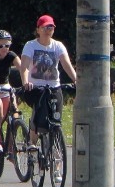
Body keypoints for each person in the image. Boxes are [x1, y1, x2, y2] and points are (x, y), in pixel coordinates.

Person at [20, 14, 78, 150]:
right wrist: (25, 82)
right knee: (39, 118)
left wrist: (76, 80)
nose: (48, 30)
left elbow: (66, 64)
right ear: (38, 29)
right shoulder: (31, 45)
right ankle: (32, 145)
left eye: (51, 27)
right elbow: (24, 67)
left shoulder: (58, 46)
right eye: (45, 27)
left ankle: (56, 154)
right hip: (36, 87)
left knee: (56, 120)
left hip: (54, 87)